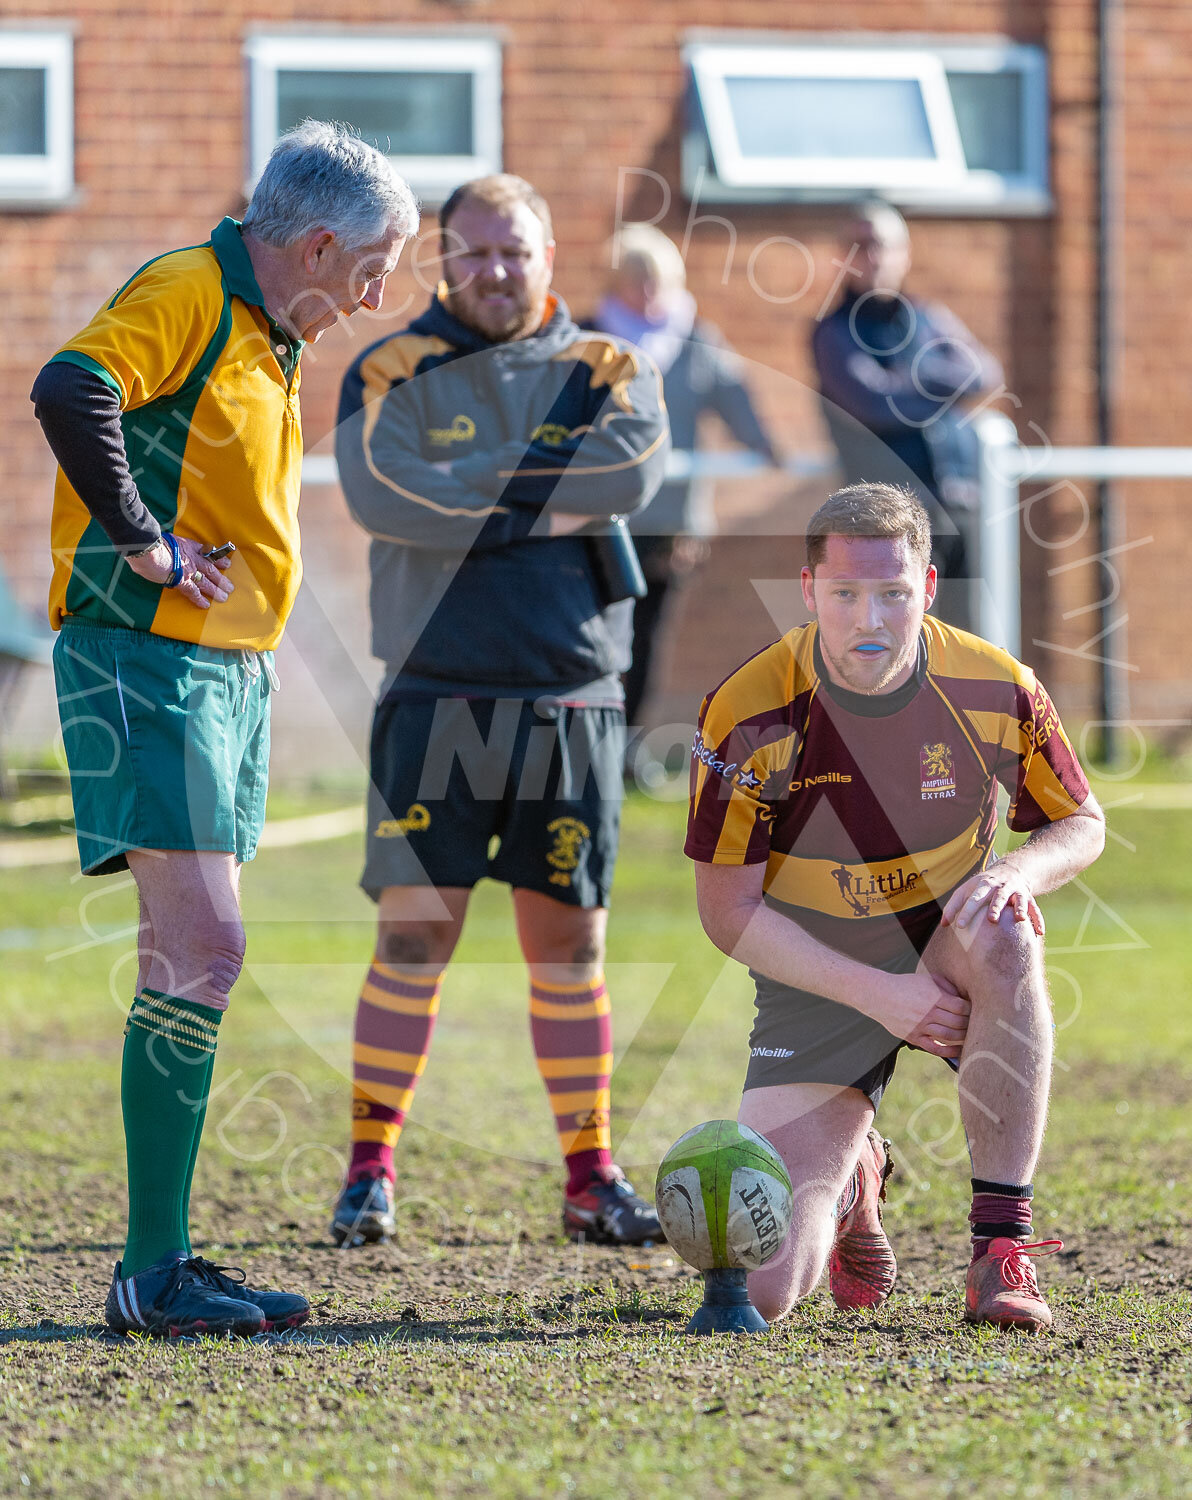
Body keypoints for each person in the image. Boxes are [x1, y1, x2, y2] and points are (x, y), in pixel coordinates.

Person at [30, 122, 417, 1338]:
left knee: (184, 958)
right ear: (315, 244)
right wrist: (144, 541)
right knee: (206, 948)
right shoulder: (193, 290)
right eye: (374, 267)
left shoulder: (270, 328)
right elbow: (68, 385)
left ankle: (162, 1265)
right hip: (150, 661)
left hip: (219, 674)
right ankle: (154, 1269)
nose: (378, 294)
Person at [331, 174, 671, 1249]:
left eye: (514, 251)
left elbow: (630, 474)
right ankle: (369, 1173)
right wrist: (545, 490)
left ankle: (589, 1179)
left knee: (570, 951)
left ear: (549, 253)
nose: (495, 271)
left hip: (572, 697)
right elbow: (386, 493)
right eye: (473, 253)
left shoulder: (608, 366)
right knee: (411, 945)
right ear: (441, 260)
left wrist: (473, 488)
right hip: (437, 693)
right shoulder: (393, 367)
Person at [686, 482, 1105, 1331]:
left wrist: (1021, 873)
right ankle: (857, 1173)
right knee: (766, 1290)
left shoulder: (995, 687)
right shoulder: (748, 712)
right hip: (813, 973)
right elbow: (727, 912)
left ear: (929, 587)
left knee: (1007, 931)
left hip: (944, 942)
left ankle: (1000, 1248)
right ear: (809, 592)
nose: (867, 618)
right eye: (844, 594)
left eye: (891, 593)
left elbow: (1080, 822)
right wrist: (881, 997)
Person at [588, 224, 782, 764]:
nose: (650, 293)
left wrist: (766, 445)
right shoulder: (589, 339)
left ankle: (622, 749)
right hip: (599, 520)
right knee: (597, 634)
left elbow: (735, 402)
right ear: (616, 281)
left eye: (659, 281)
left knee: (645, 639)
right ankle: (588, 743)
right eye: (637, 280)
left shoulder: (697, 342)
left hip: (668, 527)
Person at [812, 202, 1004, 628]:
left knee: (967, 643)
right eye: (860, 246)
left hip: (960, 506)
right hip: (890, 527)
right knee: (901, 651)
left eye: (882, 245)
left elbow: (984, 372)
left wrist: (906, 378)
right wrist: (941, 387)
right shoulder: (833, 332)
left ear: (905, 254)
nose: (873, 257)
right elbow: (876, 404)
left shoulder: (930, 318)